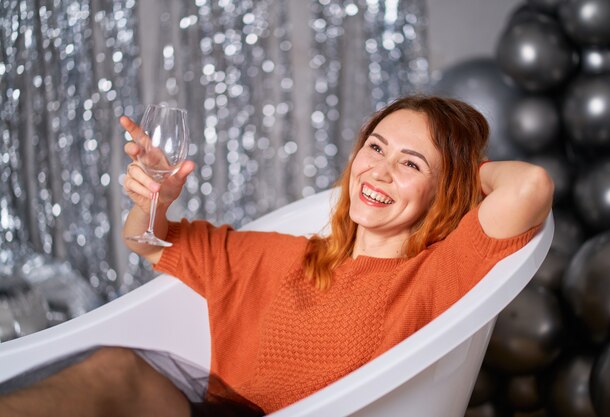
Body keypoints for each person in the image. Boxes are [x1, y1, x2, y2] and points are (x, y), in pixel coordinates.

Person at [0, 95, 553, 416]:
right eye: (376, 148)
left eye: (411, 164)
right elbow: (147, 241)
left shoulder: (434, 276)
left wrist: (461, 174)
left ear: (444, 189)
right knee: (114, 366)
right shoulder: (277, 258)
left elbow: (529, 188)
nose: (379, 171)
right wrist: (155, 201)